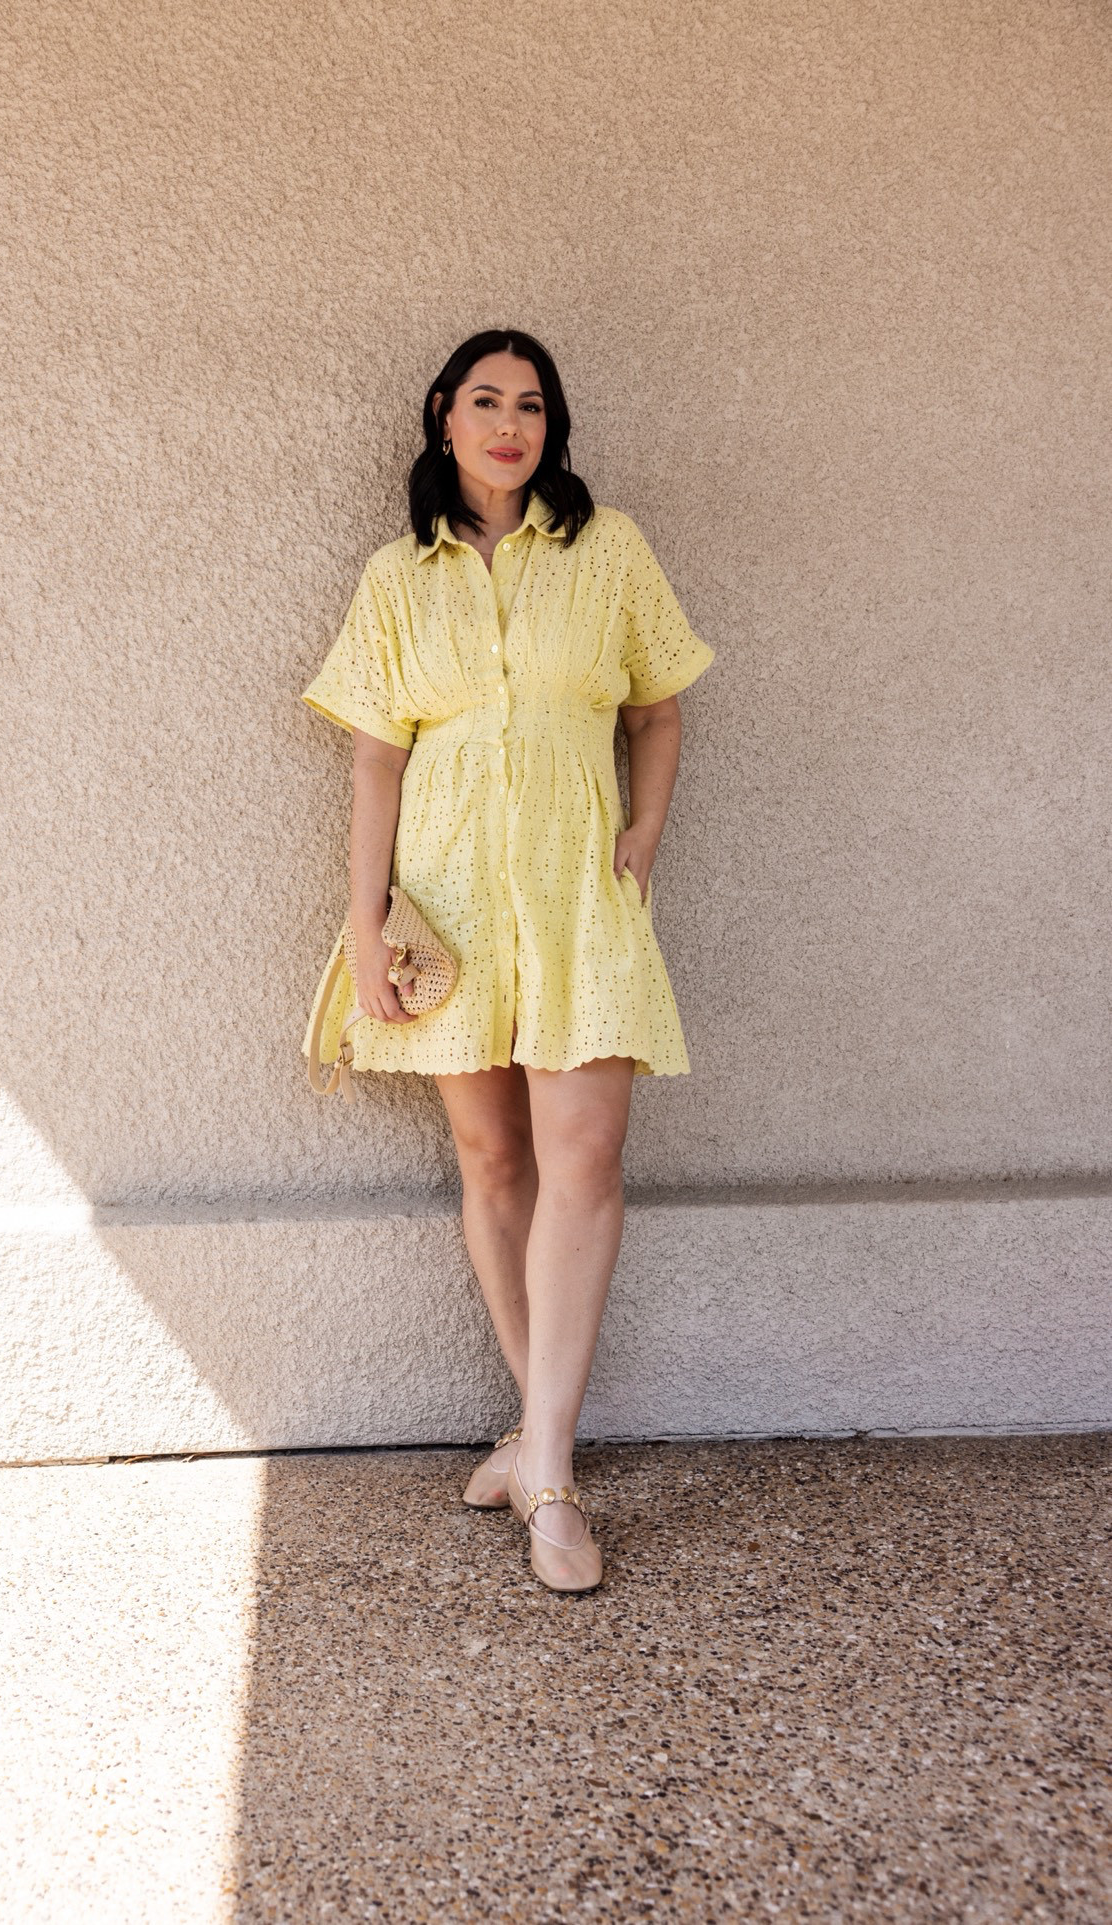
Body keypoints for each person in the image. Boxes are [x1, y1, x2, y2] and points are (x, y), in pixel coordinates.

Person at [301, 328, 714, 1592]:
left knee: (585, 1157)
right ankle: (544, 1451)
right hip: (451, 895)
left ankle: (547, 1473)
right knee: (491, 1158)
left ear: (552, 428)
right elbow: (376, 757)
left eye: (531, 404)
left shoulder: (610, 549)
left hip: (580, 893)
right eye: (485, 400)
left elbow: (657, 708)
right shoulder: (395, 577)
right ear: (442, 418)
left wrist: (643, 828)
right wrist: (366, 919)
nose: (509, 422)